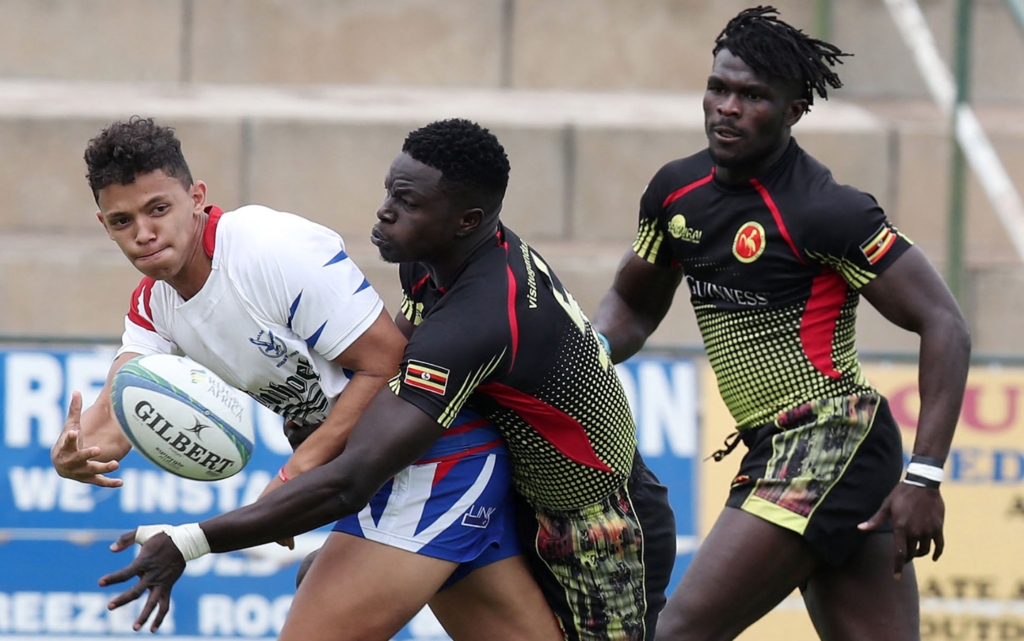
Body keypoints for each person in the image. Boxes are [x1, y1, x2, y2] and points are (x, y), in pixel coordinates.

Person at [97, 118, 677, 641]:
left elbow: (352, 477)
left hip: (601, 521)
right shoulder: (435, 259)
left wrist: (193, 539)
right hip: (515, 488)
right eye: (389, 193)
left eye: (408, 202)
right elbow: (393, 366)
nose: (384, 212)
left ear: (466, 221)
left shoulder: (476, 319)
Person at [592, 6, 971, 640]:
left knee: (678, 633)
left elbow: (945, 324)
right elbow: (633, 306)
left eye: (753, 96)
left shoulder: (827, 211)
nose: (727, 108)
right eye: (718, 88)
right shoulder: (675, 193)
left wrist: (925, 476)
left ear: (794, 111)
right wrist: (587, 352)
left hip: (828, 440)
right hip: (783, 447)